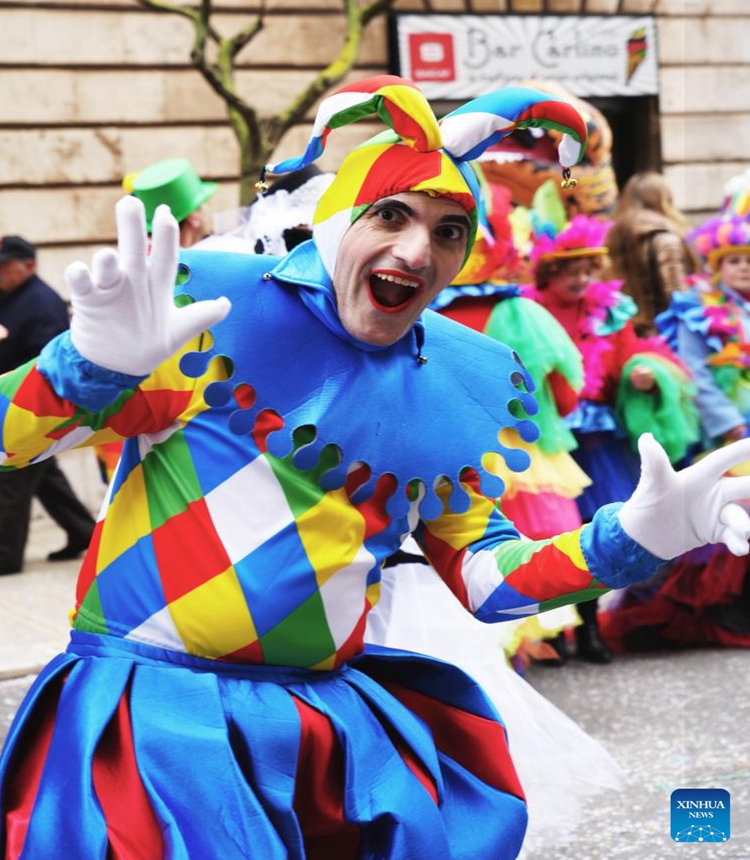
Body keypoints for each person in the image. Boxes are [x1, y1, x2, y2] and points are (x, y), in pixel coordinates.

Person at [2, 75, 750, 860]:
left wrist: (632, 539)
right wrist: (84, 369)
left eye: (450, 230)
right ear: (336, 222)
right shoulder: (209, 330)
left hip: (319, 734)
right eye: (390, 214)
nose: (418, 250)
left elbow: (490, 580)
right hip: (155, 725)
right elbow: (8, 442)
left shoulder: (446, 389)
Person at [525, 215, 700, 663]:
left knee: (596, 531)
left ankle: (588, 628)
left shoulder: (609, 312)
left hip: (598, 442)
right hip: (548, 438)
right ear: (548, 273)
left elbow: (629, 356)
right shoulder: (527, 312)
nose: (581, 280)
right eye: (570, 271)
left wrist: (644, 374)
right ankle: (553, 631)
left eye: (588, 270)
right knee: (548, 533)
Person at [603, 210, 750, 651]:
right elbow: (697, 374)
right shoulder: (698, 311)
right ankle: (719, 612)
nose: (744, 268)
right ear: (715, 266)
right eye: (734, 261)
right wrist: (730, 425)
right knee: (726, 514)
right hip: (725, 436)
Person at [0, 235, 96, 574]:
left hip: (32, 408)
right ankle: (82, 531)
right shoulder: (9, 296)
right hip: (13, 403)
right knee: (44, 476)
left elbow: (49, 362)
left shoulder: (42, 302)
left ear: (28, 265)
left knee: (10, 478)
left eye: (4, 267)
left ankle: (5, 557)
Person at [606, 171, 699, 336]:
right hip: (665, 334)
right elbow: (677, 294)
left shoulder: (613, 236)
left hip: (627, 332)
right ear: (664, 200)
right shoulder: (666, 239)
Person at [131, 157, 218, 248]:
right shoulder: (212, 252)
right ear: (193, 217)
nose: (209, 209)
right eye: (205, 202)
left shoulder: (143, 253)